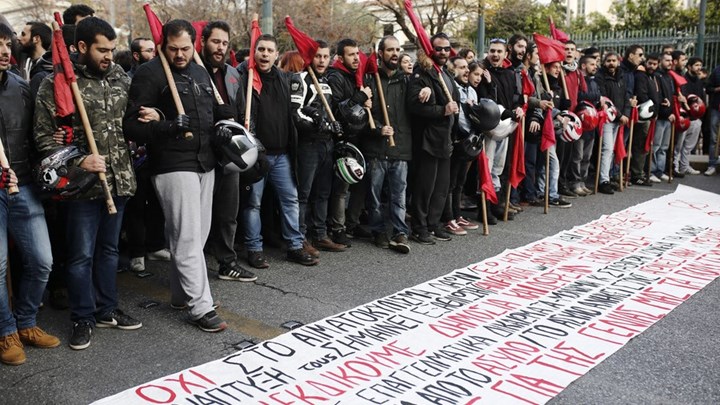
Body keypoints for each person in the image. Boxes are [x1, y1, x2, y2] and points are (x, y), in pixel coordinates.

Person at [35, 17, 141, 349]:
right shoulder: (59, 83)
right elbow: (43, 141)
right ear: (81, 47)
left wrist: (151, 116)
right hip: (81, 186)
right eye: (102, 50)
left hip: (119, 181)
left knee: (109, 250)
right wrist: (80, 160)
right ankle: (83, 316)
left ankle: (106, 308)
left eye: (112, 49)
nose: (109, 56)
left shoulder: (121, 77)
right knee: (80, 255)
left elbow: (129, 120)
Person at [124, 19, 230, 332]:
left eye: (185, 48)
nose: (180, 54)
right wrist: (166, 124)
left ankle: (182, 294)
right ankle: (201, 307)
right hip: (171, 162)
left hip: (205, 161)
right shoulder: (149, 73)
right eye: (173, 49)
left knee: (197, 235)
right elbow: (131, 125)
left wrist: (224, 118)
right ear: (163, 45)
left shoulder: (200, 71)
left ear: (195, 45)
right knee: (186, 237)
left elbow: (211, 114)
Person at [0, 23, 59, 366]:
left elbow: (37, 136)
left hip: (22, 184)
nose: (6, 51)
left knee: (41, 261)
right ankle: (5, 330)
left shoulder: (21, 88)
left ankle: (25, 323)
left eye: (8, 44)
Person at [236, 34, 319, 268]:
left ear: (276, 55)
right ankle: (254, 249)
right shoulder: (246, 78)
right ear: (254, 53)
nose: (264, 54)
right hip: (256, 155)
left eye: (269, 50)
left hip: (282, 154)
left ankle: (294, 246)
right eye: (260, 49)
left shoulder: (286, 80)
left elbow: (298, 108)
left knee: (290, 200)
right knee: (253, 203)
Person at [198, 21, 257, 282]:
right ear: (203, 42)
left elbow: (244, 112)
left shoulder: (234, 75)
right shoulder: (194, 72)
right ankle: (193, 265)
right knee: (198, 214)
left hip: (229, 155)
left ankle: (227, 261)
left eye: (224, 43)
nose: (220, 47)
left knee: (227, 212)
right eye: (215, 41)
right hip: (201, 155)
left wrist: (250, 142)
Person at [290, 40, 345, 256]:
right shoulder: (301, 79)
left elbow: (331, 112)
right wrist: (315, 122)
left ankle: (320, 234)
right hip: (308, 145)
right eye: (318, 56)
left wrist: (334, 124)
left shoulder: (328, 82)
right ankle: (300, 237)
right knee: (303, 193)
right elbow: (295, 113)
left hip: (327, 144)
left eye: (325, 56)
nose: (322, 60)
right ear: (310, 57)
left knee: (323, 193)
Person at [407, 33, 459, 243]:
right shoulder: (422, 74)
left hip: (446, 139)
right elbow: (413, 105)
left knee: (441, 187)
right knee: (424, 186)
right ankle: (419, 227)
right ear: (431, 50)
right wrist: (442, 110)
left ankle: (434, 223)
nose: (444, 52)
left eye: (447, 48)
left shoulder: (446, 73)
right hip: (428, 140)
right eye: (439, 49)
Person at [362, 36, 413, 252]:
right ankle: (378, 230)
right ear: (381, 53)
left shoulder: (407, 80)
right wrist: (377, 128)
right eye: (390, 50)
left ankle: (400, 233)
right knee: (374, 196)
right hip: (376, 148)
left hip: (400, 147)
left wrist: (425, 92)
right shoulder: (370, 80)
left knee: (398, 196)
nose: (395, 53)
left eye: (397, 49)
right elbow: (362, 117)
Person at [327, 38, 371, 246]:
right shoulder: (335, 77)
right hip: (342, 139)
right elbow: (337, 110)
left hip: (358, 137)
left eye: (357, 54)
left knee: (357, 183)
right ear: (340, 57)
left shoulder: (356, 76)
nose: (356, 58)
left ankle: (352, 223)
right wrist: (360, 97)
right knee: (341, 187)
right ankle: (338, 228)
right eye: (351, 54)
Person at [476, 38, 524, 222]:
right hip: (489, 128)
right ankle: (484, 209)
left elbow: (516, 99)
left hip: (507, 126)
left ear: (505, 54)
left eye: (499, 51)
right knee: (486, 168)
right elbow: (486, 100)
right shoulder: (483, 71)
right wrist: (488, 84)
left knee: (498, 167)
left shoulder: (511, 74)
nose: (495, 55)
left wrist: (519, 108)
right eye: (492, 50)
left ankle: (496, 204)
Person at [441, 56, 481, 236]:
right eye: (462, 67)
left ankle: (457, 215)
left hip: (469, 142)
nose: (466, 71)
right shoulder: (451, 88)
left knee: (460, 182)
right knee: (449, 183)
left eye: (467, 67)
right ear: (453, 70)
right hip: (455, 140)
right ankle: (448, 218)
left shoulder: (472, 91)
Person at [596, 52, 631, 195]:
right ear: (604, 62)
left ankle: (609, 177)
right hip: (607, 119)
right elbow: (606, 100)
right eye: (608, 61)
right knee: (607, 149)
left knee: (612, 150)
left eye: (614, 61)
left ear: (618, 62)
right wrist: (620, 115)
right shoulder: (600, 77)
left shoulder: (622, 76)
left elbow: (626, 97)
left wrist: (626, 115)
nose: (611, 63)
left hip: (619, 120)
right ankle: (603, 180)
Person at [559, 40, 588, 198]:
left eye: (572, 49)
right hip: (562, 117)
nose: (569, 52)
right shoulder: (559, 70)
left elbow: (583, 90)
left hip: (574, 118)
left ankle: (565, 182)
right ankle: (559, 184)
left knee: (570, 154)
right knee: (561, 154)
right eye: (566, 49)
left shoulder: (576, 71)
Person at [629, 54, 660, 185]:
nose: (652, 66)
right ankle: (637, 174)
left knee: (643, 146)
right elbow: (642, 95)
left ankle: (639, 172)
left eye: (655, 64)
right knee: (640, 146)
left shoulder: (651, 76)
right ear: (645, 62)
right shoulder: (641, 76)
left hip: (650, 116)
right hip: (643, 116)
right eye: (650, 63)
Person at [573, 54, 602, 194]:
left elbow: (598, 98)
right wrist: (596, 97)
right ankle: (575, 182)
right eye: (592, 64)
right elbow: (579, 97)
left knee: (586, 156)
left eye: (595, 64)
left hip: (592, 124)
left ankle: (582, 181)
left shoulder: (594, 82)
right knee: (577, 156)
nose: (595, 66)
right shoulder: (578, 80)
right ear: (584, 66)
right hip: (581, 123)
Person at [673, 57, 705, 176]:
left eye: (700, 65)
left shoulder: (700, 81)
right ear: (689, 67)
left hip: (696, 118)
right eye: (696, 65)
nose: (699, 68)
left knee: (689, 146)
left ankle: (684, 166)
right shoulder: (683, 80)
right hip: (684, 117)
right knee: (678, 145)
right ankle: (674, 167)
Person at [650, 52, 678, 182]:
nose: (670, 63)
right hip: (660, 116)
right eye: (667, 60)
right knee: (655, 146)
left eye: (671, 60)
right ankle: (651, 170)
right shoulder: (657, 76)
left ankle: (660, 170)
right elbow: (657, 95)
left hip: (668, 116)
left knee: (664, 147)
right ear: (660, 61)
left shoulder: (669, 77)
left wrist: (671, 111)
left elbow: (671, 96)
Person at [706, 62, 720, 176]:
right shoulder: (716, 70)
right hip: (716, 108)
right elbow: (708, 88)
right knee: (714, 138)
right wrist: (717, 89)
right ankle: (712, 164)